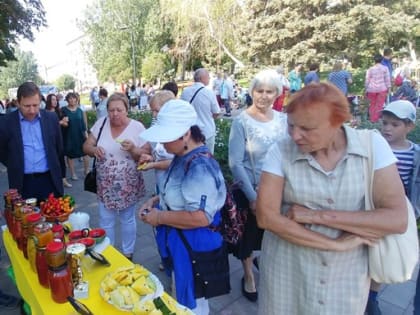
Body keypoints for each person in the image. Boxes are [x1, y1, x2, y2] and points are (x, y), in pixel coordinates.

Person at [256, 82, 407, 314]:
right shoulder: (281, 151)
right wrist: (334, 244)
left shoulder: (372, 146)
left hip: (345, 276)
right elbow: (267, 217)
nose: (296, 135)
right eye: (291, 125)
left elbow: (396, 219)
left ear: (337, 123)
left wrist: (316, 216)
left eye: (307, 128)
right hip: (287, 271)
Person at [138, 99, 227, 315]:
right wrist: (157, 200)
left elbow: (201, 217)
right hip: (183, 245)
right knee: (183, 297)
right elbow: (178, 188)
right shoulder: (182, 155)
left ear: (186, 134)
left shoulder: (200, 167)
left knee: (193, 305)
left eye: (167, 138)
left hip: (194, 249)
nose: (163, 145)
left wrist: (159, 217)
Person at [228, 69, 288, 302]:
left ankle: (266, 264)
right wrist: (253, 197)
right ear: (252, 91)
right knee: (249, 237)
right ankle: (248, 275)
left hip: (278, 191)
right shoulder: (241, 121)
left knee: (272, 235)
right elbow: (235, 163)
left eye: (269, 91)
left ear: (277, 94)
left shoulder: (283, 120)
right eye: (259, 90)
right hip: (250, 190)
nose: (263, 95)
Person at [83, 92, 147, 260]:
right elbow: (86, 146)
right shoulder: (101, 124)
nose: (114, 114)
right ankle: (109, 251)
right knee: (105, 220)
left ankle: (127, 252)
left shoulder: (137, 127)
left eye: (119, 109)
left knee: (127, 219)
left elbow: (147, 154)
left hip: (128, 183)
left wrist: (133, 149)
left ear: (127, 110)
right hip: (105, 183)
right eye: (111, 110)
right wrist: (93, 150)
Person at [376, 100, 419, 315]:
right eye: (384, 123)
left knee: (389, 254)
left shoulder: (415, 154)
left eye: (395, 124)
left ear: (410, 126)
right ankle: (372, 299)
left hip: (400, 212)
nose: (387, 128)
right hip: (374, 209)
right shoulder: (375, 146)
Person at [0, 82, 65, 201]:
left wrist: (62, 175)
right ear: (18, 103)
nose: (32, 110)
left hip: (49, 180)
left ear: (40, 101)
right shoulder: (6, 123)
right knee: (26, 219)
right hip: (22, 183)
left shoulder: (51, 118)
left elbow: (58, 148)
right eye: (27, 106)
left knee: (51, 218)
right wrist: (15, 164)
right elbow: (2, 151)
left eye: (35, 105)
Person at [180, 68, 221, 153]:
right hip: (207, 131)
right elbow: (216, 112)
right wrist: (208, 117)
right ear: (202, 78)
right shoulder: (209, 93)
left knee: (191, 157)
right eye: (208, 77)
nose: (209, 79)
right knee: (207, 157)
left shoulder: (185, 92)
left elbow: (182, 111)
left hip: (189, 132)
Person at [45, 93, 72, 188]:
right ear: (48, 101)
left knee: (61, 160)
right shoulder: (45, 113)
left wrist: (62, 122)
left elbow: (66, 124)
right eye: (53, 99)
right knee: (52, 160)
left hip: (60, 139)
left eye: (56, 99)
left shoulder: (59, 112)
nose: (55, 101)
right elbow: (47, 127)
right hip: (50, 141)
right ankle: (53, 180)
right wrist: (60, 122)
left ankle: (63, 179)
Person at [62, 92, 89, 180]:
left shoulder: (80, 110)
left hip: (80, 135)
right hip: (69, 135)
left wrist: (86, 133)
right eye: (70, 98)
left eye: (74, 98)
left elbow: (83, 123)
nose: (72, 100)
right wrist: (64, 122)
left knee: (85, 153)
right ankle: (73, 174)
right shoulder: (63, 110)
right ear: (67, 100)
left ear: (77, 99)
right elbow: (60, 122)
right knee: (70, 155)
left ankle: (86, 171)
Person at [365, 54, 391, 122]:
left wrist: (366, 89)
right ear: (382, 60)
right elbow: (387, 79)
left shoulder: (370, 69)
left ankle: (372, 119)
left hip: (371, 89)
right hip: (382, 89)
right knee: (379, 105)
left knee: (372, 104)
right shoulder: (385, 68)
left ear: (374, 60)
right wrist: (389, 88)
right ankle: (375, 119)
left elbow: (367, 80)